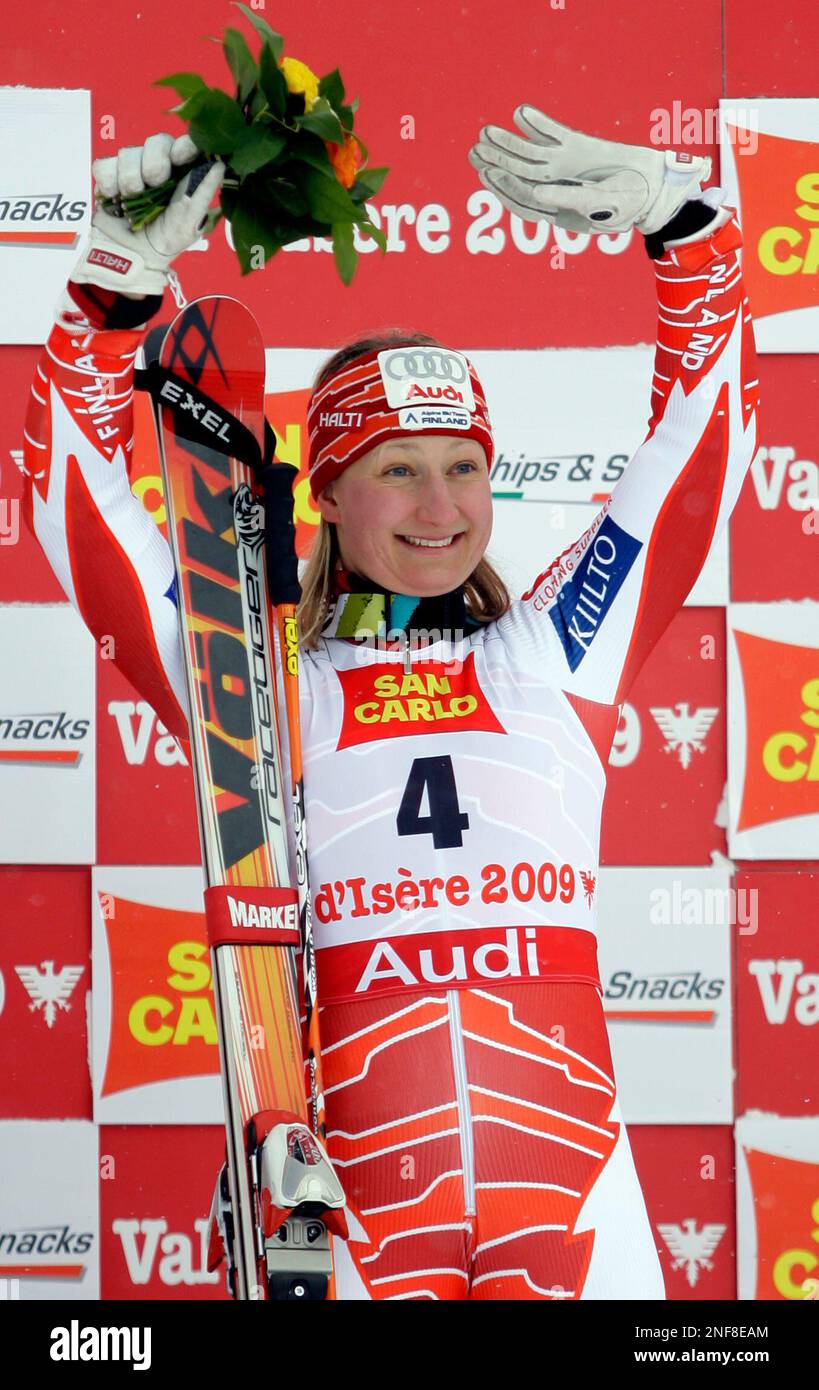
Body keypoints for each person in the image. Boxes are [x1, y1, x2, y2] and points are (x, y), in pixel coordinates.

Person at [22, 111, 759, 1300]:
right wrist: (113, 288)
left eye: (462, 463)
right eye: (395, 469)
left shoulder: (557, 646)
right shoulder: (255, 683)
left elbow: (701, 445)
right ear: (327, 495)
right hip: (353, 1202)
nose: (439, 503)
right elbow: (74, 506)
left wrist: (685, 224)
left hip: (573, 1192)